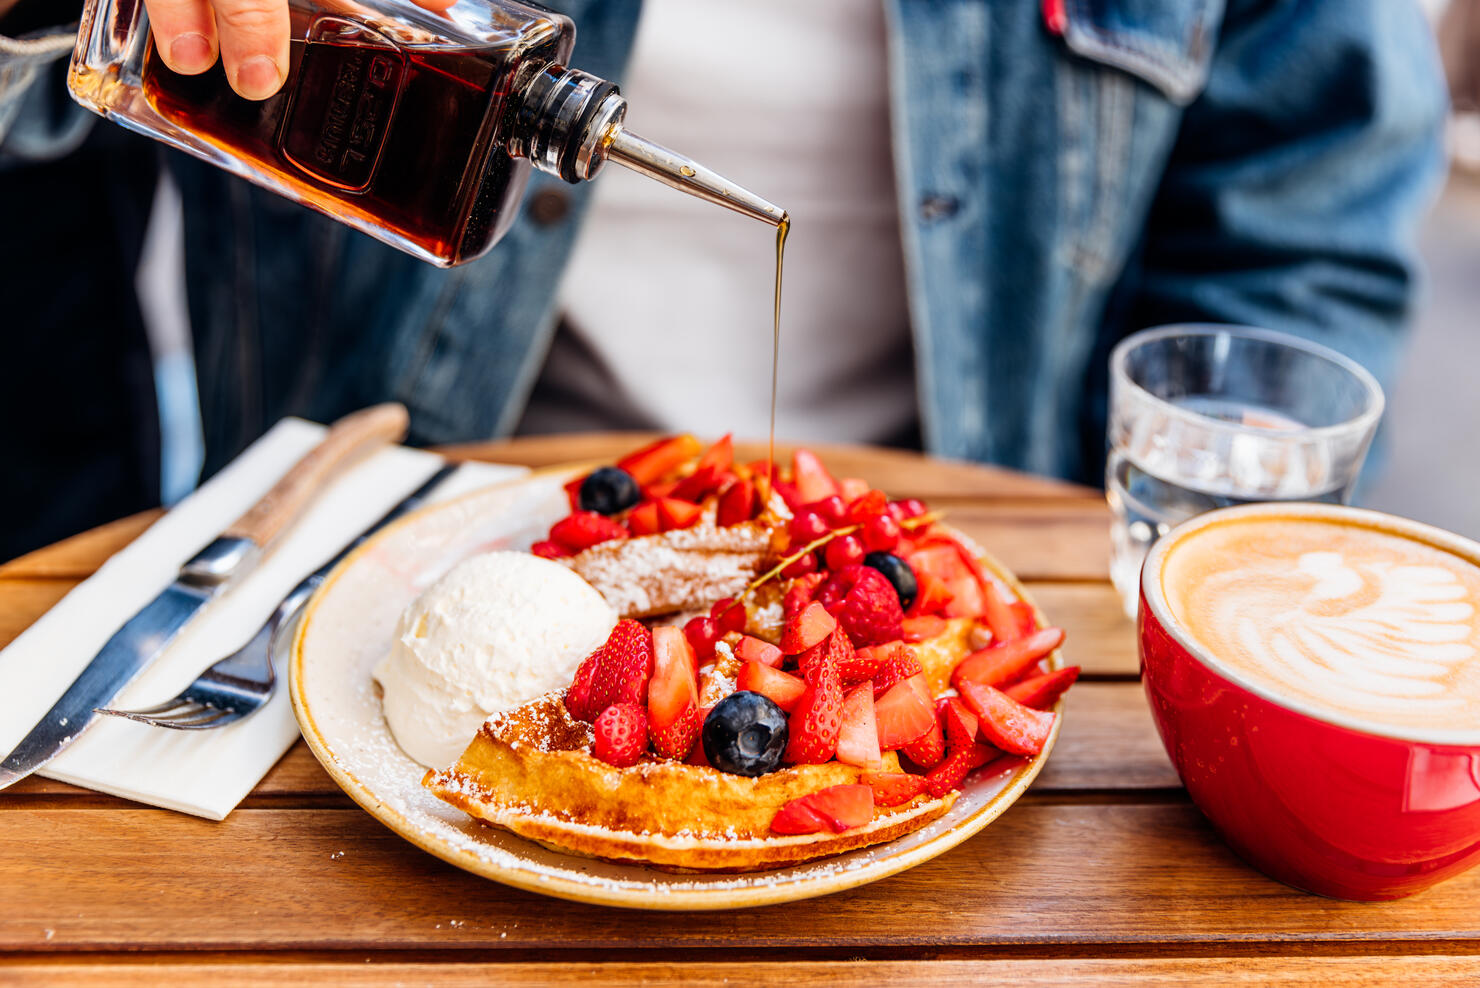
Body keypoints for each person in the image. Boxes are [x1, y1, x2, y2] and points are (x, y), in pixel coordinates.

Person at [0, 0, 1448, 560]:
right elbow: (38, 123)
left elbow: (1300, 227)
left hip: (966, 562)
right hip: (367, 556)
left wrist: (1159, 576)